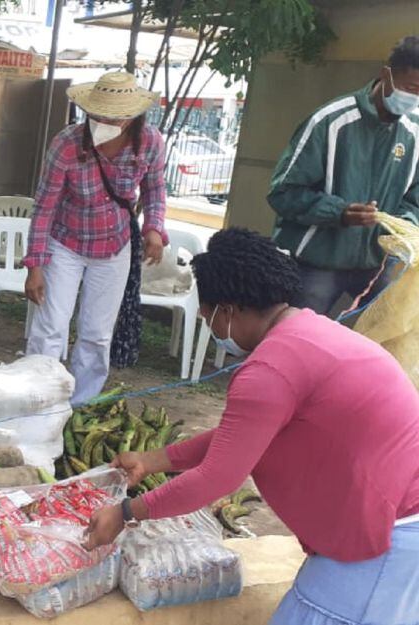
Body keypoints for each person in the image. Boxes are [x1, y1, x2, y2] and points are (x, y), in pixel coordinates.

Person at [85, 228, 419, 624]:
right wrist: (153, 460)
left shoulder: (270, 369)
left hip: (391, 530)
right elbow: (241, 437)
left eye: (207, 314)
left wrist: (124, 512)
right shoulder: (309, 332)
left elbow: (217, 478)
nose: (208, 324)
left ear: (229, 310)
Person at [24, 72, 167, 406]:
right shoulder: (67, 144)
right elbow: (44, 208)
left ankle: (80, 405)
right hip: (66, 243)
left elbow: (156, 189)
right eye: (98, 113)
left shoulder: (150, 142)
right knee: (51, 327)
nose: (104, 120)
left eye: (113, 115)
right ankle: (36, 399)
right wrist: (35, 265)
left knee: (97, 335)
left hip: (114, 246)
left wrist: (154, 229)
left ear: (131, 116)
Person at [268, 36, 419, 316]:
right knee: (302, 338)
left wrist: (402, 225)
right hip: (318, 262)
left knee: (385, 339)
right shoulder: (330, 122)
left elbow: (415, 198)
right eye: (411, 89)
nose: (415, 100)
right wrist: (340, 212)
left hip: (379, 262)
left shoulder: (414, 133)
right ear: (386, 74)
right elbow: (283, 192)